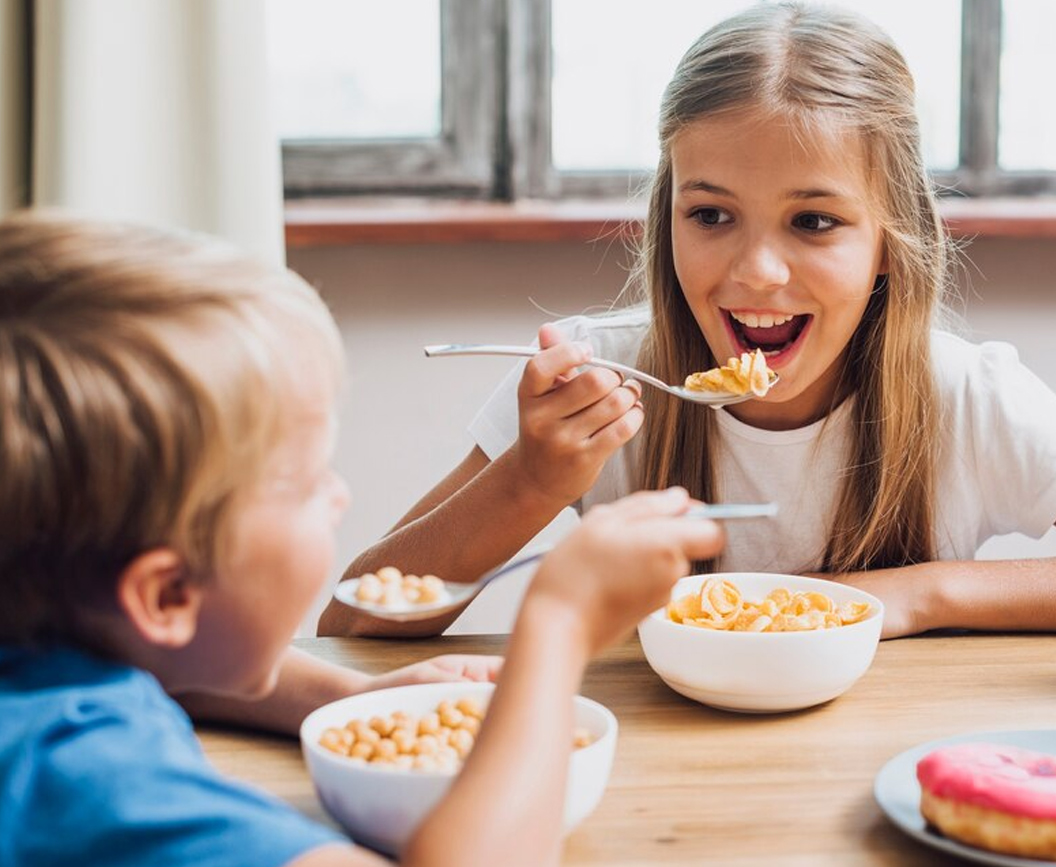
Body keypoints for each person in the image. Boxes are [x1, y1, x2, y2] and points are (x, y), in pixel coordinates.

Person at [319, 1, 1056, 641]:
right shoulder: (593, 379)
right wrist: (529, 481)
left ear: (891, 241)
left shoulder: (964, 397)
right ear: (669, 218)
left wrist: (912, 594)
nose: (755, 272)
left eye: (814, 221)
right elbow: (351, 624)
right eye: (711, 215)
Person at [0, 212, 724, 867]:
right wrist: (559, 624)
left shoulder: (50, 646)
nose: (341, 494)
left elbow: (168, 660)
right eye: (309, 481)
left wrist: (348, 697)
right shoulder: (100, 788)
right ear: (165, 593)